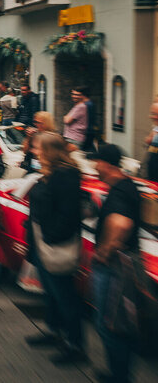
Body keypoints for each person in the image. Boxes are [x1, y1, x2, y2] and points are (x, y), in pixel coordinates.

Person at [24, 132, 85, 364]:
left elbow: (68, 214)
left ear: (49, 151)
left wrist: (50, 236)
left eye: (38, 147)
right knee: (51, 292)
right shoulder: (49, 174)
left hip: (55, 242)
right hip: (43, 240)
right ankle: (54, 331)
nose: (33, 151)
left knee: (65, 295)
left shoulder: (66, 176)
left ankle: (75, 345)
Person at [88, 144, 142, 383]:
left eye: (97, 162)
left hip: (114, 266)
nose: (94, 167)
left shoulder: (120, 191)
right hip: (120, 262)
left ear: (107, 164)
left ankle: (119, 377)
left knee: (108, 324)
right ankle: (119, 374)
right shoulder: (125, 186)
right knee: (116, 323)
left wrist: (104, 252)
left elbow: (121, 225)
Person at [144, 102, 158, 183]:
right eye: (151, 113)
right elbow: (148, 140)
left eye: (154, 114)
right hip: (152, 174)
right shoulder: (156, 128)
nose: (151, 117)